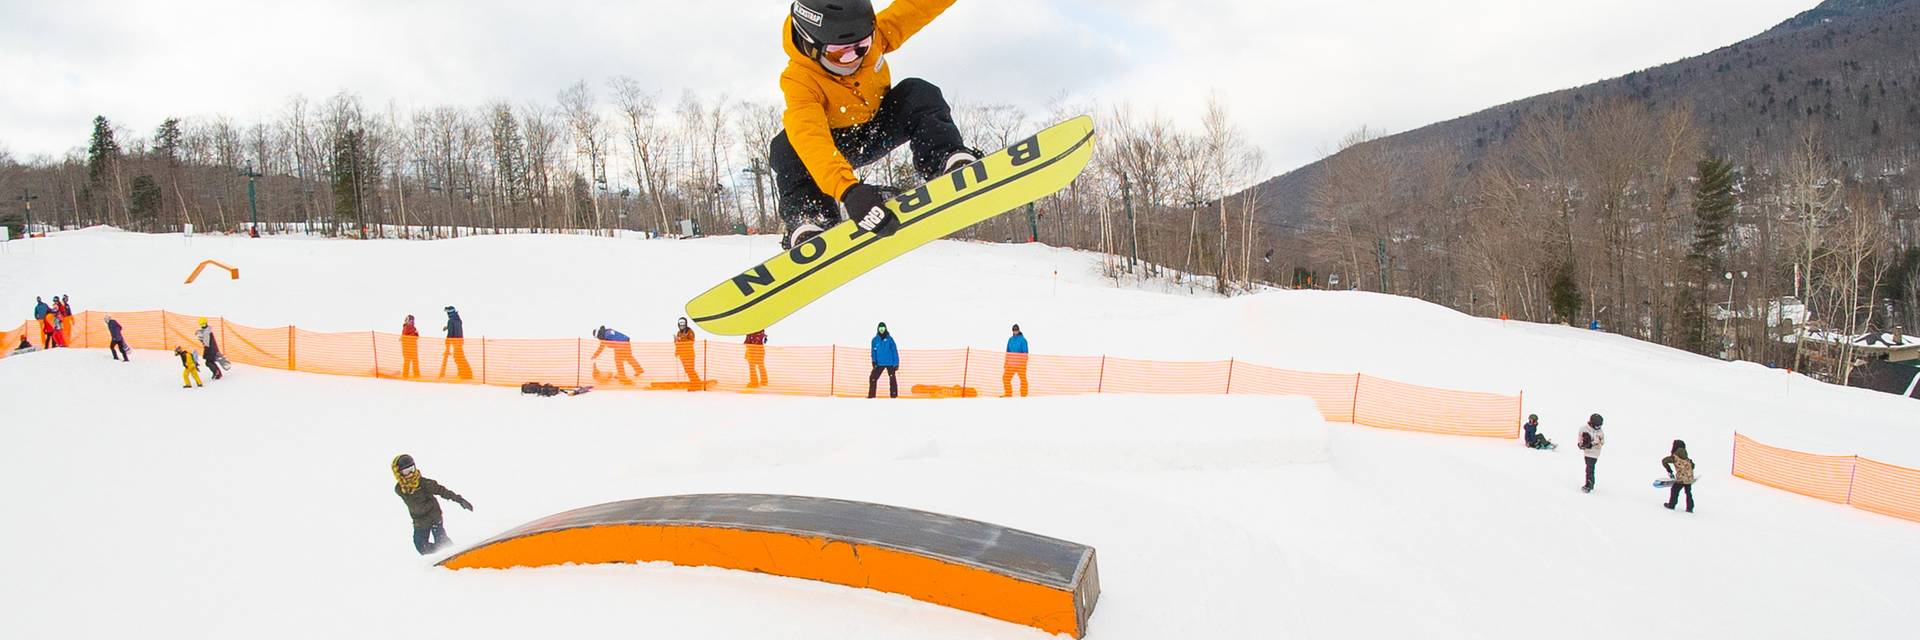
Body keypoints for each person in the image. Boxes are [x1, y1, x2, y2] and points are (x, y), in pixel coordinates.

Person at [772, 0, 978, 249]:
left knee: (917, 91)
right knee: (785, 146)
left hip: (880, 126)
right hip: (835, 147)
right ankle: (811, 218)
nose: (853, 58)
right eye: (840, 53)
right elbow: (811, 138)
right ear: (811, 44)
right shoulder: (799, 81)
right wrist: (849, 191)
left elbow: (916, 7)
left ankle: (944, 158)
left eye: (862, 47)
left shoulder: (876, 36)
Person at [390, 454, 472, 555]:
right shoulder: (399, 489)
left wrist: (460, 500)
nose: (411, 473)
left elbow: (443, 491)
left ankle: (451, 552)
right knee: (421, 546)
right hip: (419, 522)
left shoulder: (424, 484)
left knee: (442, 542)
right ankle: (440, 556)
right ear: (398, 473)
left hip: (434, 517)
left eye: (412, 468)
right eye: (406, 471)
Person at [1661, 440, 1696, 512]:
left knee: (1674, 490)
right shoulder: (1686, 457)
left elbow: (1664, 461)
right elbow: (1693, 465)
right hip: (1689, 478)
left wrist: (1669, 470)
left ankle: (1671, 505)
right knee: (1688, 492)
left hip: (1681, 479)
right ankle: (1690, 508)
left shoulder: (1675, 456)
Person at [869, 321, 899, 398]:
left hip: (890, 363)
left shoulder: (890, 339)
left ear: (885, 328)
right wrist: (874, 361)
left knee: (892, 379)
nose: (882, 330)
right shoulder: (875, 340)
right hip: (879, 363)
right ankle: (871, 396)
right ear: (878, 329)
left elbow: (894, 351)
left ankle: (894, 396)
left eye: (883, 328)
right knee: (873, 378)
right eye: (880, 328)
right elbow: (873, 351)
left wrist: (896, 363)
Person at [441, 306, 472, 380]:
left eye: (447, 312)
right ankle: (464, 372)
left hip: (455, 341)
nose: (447, 314)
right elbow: (455, 327)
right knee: (459, 357)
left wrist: (447, 342)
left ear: (450, 312)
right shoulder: (457, 318)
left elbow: (450, 333)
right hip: (460, 340)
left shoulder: (451, 320)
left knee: (458, 357)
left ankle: (466, 374)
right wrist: (448, 327)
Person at [1578, 413, 1606, 493]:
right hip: (1587, 452)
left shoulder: (1600, 432)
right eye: (1597, 426)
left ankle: (1589, 484)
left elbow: (1602, 442)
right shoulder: (1584, 429)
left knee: (1590, 468)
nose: (1599, 428)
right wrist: (1581, 445)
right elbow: (1580, 439)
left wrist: (1594, 443)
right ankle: (1589, 483)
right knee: (1588, 467)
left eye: (1600, 426)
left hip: (1594, 453)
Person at [1003, 324, 1029, 397]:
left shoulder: (1023, 340)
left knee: (1023, 380)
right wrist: (1006, 363)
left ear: (1019, 330)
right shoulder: (1010, 340)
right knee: (1005, 378)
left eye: (1016, 330)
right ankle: (1008, 393)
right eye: (1014, 330)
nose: (1015, 331)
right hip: (1011, 364)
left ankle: (1024, 395)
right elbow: (1007, 352)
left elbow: (1025, 353)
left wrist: (1024, 363)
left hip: (1020, 365)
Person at [673, 318, 701, 386]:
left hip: (689, 354)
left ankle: (696, 382)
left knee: (690, 369)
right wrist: (677, 350)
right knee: (687, 370)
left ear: (686, 323)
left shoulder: (689, 331)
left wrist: (682, 339)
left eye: (683, 323)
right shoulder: (679, 333)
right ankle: (694, 382)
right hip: (682, 355)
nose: (682, 324)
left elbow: (691, 342)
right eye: (680, 323)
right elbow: (678, 344)